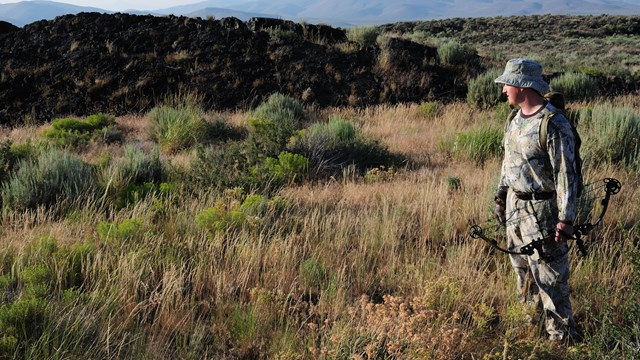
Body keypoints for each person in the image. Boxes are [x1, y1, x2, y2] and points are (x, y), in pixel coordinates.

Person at [493, 58, 579, 341]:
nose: (504, 89)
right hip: (514, 212)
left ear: (522, 85)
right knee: (524, 280)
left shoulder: (553, 124)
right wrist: (500, 195)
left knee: (551, 282)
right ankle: (533, 337)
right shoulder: (514, 119)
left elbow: (567, 175)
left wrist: (565, 219)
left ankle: (561, 342)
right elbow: (509, 163)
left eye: (507, 83)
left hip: (543, 214)